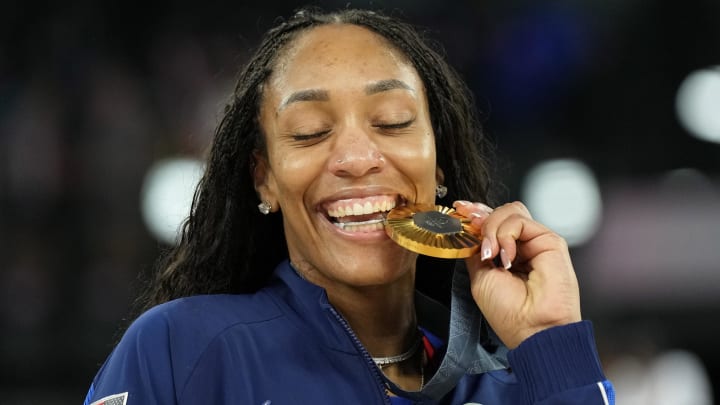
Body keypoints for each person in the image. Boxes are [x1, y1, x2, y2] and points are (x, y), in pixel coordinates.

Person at [84, 7, 614, 405]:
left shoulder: (511, 388)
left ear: (440, 165)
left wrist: (550, 342)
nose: (358, 158)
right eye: (310, 132)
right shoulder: (183, 350)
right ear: (264, 180)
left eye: (391, 122)